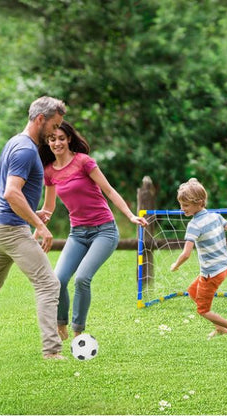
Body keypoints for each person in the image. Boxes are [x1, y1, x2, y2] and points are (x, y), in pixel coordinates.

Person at [0, 96, 67, 360]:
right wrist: (39, 224)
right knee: (49, 285)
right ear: (41, 119)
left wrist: (28, 210)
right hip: (11, 230)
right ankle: (52, 351)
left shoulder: (13, 142)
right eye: (54, 125)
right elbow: (11, 193)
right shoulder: (26, 150)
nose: (55, 132)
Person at [38, 120, 148, 340]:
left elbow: (108, 190)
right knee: (58, 279)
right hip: (77, 233)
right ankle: (61, 325)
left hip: (104, 231)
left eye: (61, 138)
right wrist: (38, 228)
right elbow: (48, 207)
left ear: (69, 139)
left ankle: (79, 331)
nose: (57, 143)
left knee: (82, 278)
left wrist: (129, 215)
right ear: (48, 142)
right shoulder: (49, 172)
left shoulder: (83, 162)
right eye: (52, 139)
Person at [170, 178, 227, 340]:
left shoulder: (194, 225)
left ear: (200, 203)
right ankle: (220, 328)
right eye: (181, 204)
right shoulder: (216, 216)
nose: (182, 209)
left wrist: (176, 265)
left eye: (186, 205)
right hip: (223, 267)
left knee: (203, 310)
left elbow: (186, 254)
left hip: (211, 273)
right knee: (192, 291)